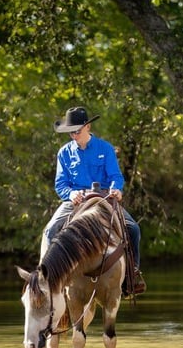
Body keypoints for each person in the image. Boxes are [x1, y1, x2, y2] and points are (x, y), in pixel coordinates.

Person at [42, 106, 146, 296]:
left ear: (87, 127)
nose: (73, 135)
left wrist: (116, 189)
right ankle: (47, 279)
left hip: (104, 198)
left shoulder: (104, 148)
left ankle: (132, 275)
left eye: (77, 131)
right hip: (76, 200)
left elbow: (116, 176)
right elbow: (60, 184)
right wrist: (70, 194)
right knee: (50, 230)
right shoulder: (63, 153)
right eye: (70, 132)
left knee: (133, 229)